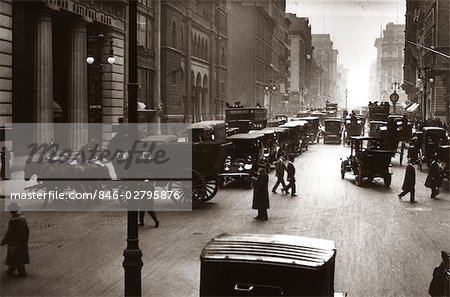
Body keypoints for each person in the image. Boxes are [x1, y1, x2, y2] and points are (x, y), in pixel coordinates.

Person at [1, 203, 30, 277]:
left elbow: (9, 233)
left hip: (14, 242)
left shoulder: (13, 220)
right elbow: (27, 230)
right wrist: (26, 239)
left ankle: (22, 273)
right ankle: (11, 270)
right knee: (17, 256)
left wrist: (3, 241)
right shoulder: (23, 218)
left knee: (16, 256)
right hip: (22, 241)